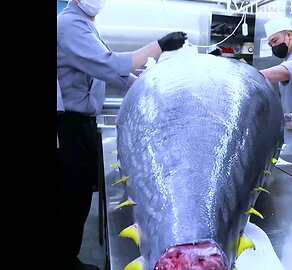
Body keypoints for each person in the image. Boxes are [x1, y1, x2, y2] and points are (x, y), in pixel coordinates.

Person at [56, 0, 188, 269]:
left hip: (79, 123)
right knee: (70, 196)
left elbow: (107, 72)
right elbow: (110, 63)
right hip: (66, 125)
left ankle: (67, 257)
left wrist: (145, 88)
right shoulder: (68, 24)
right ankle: (63, 261)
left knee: (78, 194)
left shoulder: (85, 25)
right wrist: (159, 46)